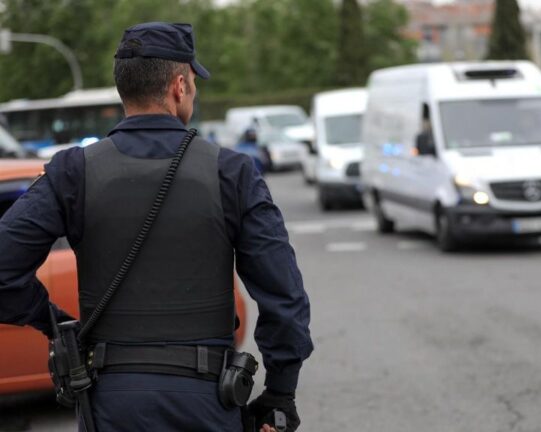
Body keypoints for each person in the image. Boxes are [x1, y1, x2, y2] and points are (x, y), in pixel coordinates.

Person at [0, 22, 312, 432]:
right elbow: (284, 298)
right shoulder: (233, 173)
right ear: (179, 87)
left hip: (109, 406)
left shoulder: (73, 172)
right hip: (207, 402)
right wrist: (280, 393)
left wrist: (55, 323)